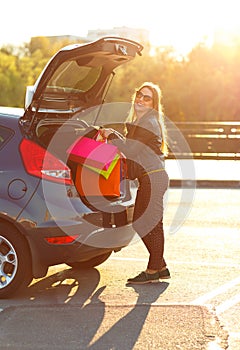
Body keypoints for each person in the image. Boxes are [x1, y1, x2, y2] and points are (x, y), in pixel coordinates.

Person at [100, 82, 170, 284]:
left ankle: (153, 268)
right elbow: (132, 148)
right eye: (139, 95)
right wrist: (115, 135)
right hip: (151, 177)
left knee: (144, 222)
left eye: (147, 97)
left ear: (153, 104)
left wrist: (111, 135)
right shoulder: (143, 122)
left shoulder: (148, 122)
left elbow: (130, 151)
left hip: (153, 178)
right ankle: (160, 267)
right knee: (152, 224)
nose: (141, 99)